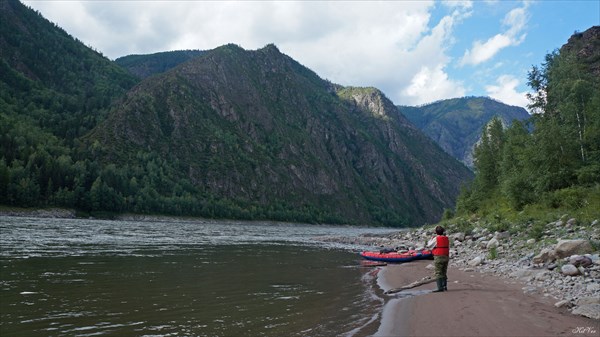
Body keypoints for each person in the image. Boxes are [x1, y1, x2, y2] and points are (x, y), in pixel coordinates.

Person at [427, 225, 449, 292]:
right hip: (446, 256)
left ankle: (440, 288)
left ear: (436, 232)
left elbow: (429, 245)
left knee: (438, 272)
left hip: (439, 256)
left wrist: (431, 239)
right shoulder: (446, 238)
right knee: (444, 272)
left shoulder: (436, 239)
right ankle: (444, 286)